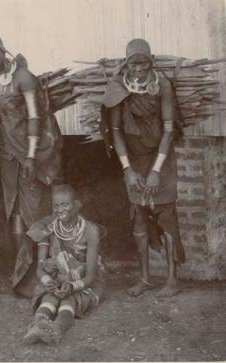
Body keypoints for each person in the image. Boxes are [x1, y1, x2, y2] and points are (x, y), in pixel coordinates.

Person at [0, 34, 62, 297]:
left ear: (2, 52)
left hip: (32, 157)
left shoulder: (23, 78)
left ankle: (42, 274)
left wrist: (30, 157)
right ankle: (23, 276)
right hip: (8, 160)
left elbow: (35, 118)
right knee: (15, 213)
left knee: (36, 213)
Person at [100, 38, 185, 297]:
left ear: (152, 61)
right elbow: (115, 131)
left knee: (166, 215)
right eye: (134, 62)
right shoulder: (117, 87)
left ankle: (172, 279)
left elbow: (169, 129)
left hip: (161, 155)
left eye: (144, 62)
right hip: (133, 158)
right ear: (126, 63)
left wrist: (157, 171)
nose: (139, 68)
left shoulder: (162, 85)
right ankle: (145, 278)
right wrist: (127, 169)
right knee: (138, 214)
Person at [23, 184, 105, 345]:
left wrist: (72, 286)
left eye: (65, 204)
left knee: (70, 300)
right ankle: (37, 324)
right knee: (49, 296)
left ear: (77, 204)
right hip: (57, 277)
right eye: (56, 205)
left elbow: (90, 275)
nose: (60, 210)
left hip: (85, 281)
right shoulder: (48, 227)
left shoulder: (90, 231)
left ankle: (57, 329)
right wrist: (48, 283)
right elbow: (40, 269)